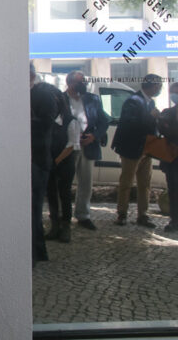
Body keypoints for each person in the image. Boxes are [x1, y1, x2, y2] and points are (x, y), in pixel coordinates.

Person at [111, 74, 163, 228]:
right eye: (159, 86)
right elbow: (131, 124)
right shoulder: (133, 101)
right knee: (126, 182)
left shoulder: (151, 102)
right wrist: (150, 117)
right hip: (131, 148)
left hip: (147, 149)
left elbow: (150, 125)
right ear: (152, 86)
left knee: (145, 183)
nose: (160, 89)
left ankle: (143, 215)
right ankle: (122, 214)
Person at [66, 71, 110, 231]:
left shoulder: (92, 99)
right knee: (64, 183)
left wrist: (94, 136)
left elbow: (104, 121)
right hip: (68, 147)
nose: (83, 84)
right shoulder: (61, 99)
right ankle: (62, 216)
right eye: (80, 82)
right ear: (70, 83)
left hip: (88, 145)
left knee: (86, 183)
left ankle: (83, 215)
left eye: (85, 81)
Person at [29, 63, 60, 265]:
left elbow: (47, 123)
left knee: (33, 210)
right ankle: (37, 252)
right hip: (33, 159)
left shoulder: (43, 94)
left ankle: (33, 254)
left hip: (38, 160)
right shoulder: (32, 93)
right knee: (31, 210)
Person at [46, 93, 76, 243]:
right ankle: (54, 225)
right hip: (50, 163)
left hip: (65, 163)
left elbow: (72, 145)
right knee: (51, 194)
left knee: (65, 194)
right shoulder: (48, 120)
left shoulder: (71, 121)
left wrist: (56, 160)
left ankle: (66, 226)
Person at [157, 82, 178, 233]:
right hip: (171, 159)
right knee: (174, 190)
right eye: (174, 93)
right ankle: (175, 220)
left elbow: (169, 130)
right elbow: (162, 129)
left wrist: (170, 128)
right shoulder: (167, 113)